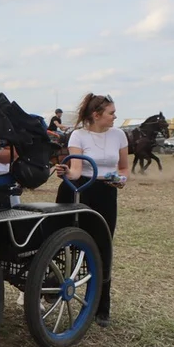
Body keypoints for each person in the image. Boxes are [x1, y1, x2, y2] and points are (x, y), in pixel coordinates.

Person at [54, 93, 129, 328]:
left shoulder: (119, 135)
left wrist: (122, 179)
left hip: (106, 192)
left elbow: (124, 167)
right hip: (79, 190)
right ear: (96, 115)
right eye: (111, 113)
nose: (115, 116)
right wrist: (65, 172)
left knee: (103, 245)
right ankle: (50, 287)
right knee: (65, 244)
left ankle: (101, 306)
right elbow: (76, 170)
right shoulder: (78, 135)